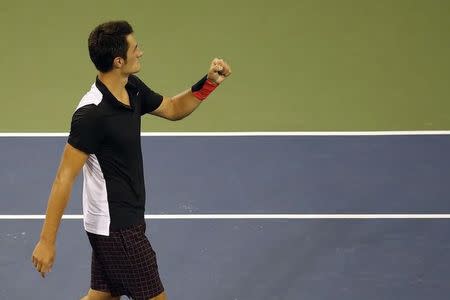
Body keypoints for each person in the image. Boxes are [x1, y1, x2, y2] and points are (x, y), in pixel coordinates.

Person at [31, 20, 231, 300]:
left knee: (102, 296)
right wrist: (46, 241)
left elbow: (173, 108)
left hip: (119, 222)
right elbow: (64, 177)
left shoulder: (132, 88)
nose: (140, 53)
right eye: (135, 48)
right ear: (117, 60)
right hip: (117, 228)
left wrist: (208, 83)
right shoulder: (92, 115)